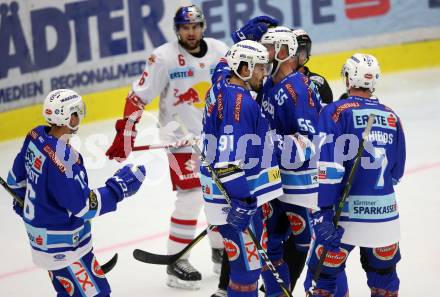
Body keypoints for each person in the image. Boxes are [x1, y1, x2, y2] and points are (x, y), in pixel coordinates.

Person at [105, 5, 229, 290]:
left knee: (221, 193)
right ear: (177, 30)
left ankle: (220, 250)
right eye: (185, 27)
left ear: (203, 26)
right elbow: (137, 98)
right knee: (193, 195)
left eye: (196, 26)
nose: (191, 31)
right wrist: (126, 133)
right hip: (179, 136)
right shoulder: (163, 58)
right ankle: (176, 260)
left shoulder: (220, 50)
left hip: (215, 136)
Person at [7, 89, 146, 296]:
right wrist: (119, 187)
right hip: (64, 248)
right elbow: (82, 206)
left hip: (43, 240)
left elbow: (14, 180)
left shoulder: (35, 135)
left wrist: (26, 204)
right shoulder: (65, 160)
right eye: (77, 112)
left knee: (68, 293)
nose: (79, 116)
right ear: (69, 117)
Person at [305, 53, 406, 297]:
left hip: (344, 215)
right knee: (385, 280)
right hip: (384, 215)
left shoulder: (336, 112)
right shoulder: (392, 116)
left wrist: (324, 212)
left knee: (322, 281)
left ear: (348, 78)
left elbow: (329, 167)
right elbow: (397, 171)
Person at [200, 40, 283, 297]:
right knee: (246, 273)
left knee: (244, 268)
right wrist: (243, 201)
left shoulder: (220, 84)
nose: (264, 73)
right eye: (259, 68)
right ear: (243, 68)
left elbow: (222, 66)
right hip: (234, 198)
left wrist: (246, 37)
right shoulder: (241, 104)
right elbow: (227, 162)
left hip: (220, 193)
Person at [292, 29, 334, 105]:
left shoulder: (319, 83)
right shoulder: (276, 80)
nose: (302, 54)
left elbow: (326, 114)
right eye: (298, 50)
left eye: (304, 51)